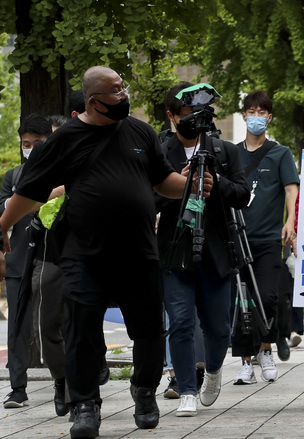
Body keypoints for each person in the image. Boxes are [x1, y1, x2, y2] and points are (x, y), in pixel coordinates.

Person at [0, 66, 212, 439]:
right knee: (80, 331)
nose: (124, 94)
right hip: (85, 255)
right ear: (95, 101)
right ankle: (86, 405)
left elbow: (164, 181)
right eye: (116, 91)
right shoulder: (64, 139)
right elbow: (29, 193)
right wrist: (0, 226)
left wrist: (193, 183)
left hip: (140, 252)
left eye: (123, 87)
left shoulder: (140, 132)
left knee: (148, 330)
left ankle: (144, 391)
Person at [156, 81, 250, 416]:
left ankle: (213, 370)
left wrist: (217, 183)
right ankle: (186, 389)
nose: (193, 120)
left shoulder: (224, 151)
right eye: (186, 114)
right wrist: (176, 186)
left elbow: (243, 194)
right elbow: (143, 197)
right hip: (173, 249)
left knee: (218, 326)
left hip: (216, 250)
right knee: (180, 320)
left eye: (199, 113)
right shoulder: (158, 150)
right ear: (172, 116)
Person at [231, 90, 299, 384]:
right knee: (242, 302)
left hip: (271, 238)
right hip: (237, 239)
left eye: (262, 112)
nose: (256, 117)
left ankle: (266, 349)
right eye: (251, 111)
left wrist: (291, 221)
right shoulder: (231, 153)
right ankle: (246, 361)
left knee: (268, 297)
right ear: (243, 114)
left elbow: (291, 190)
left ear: (269, 117)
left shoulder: (280, 153)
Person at [1, 114, 54, 410]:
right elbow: (4, 207)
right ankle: (17, 388)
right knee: (17, 326)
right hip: (19, 257)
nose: (31, 148)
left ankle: (63, 382)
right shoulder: (14, 176)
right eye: (26, 143)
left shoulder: (63, 173)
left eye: (38, 143)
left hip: (53, 257)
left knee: (54, 322)